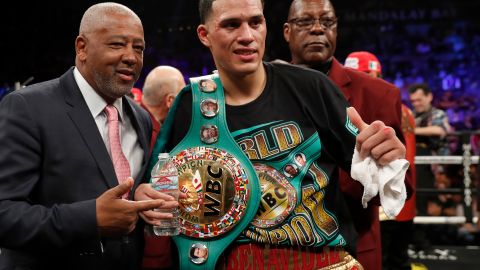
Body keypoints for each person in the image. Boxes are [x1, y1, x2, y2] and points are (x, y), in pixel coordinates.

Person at [136, 0, 407, 269]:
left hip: (321, 261)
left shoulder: (312, 88)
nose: (247, 36)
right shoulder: (191, 105)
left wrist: (388, 159)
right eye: (231, 25)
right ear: (204, 35)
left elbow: (382, 190)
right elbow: (157, 199)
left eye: (255, 22)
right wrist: (148, 200)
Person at [0, 3, 177, 269]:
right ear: (82, 48)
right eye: (117, 44)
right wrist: (89, 218)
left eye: (138, 48)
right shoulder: (28, 107)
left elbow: (123, 207)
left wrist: (140, 198)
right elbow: (4, 213)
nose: (131, 56)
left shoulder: (139, 118)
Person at [283, 1, 413, 269]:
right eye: (305, 22)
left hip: (353, 249)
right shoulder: (262, 92)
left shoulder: (379, 94)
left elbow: (403, 190)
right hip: (279, 252)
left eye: (327, 22)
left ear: (336, 30)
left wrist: (385, 167)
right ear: (287, 31)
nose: (318, 29)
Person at [345, 51, 417, 270]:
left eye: (368, 74)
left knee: (394, 259)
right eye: (358, 74)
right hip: (374, 204)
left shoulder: (391, 104)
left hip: (389, 200)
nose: (365, 79)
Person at [409, 83, 451, 215]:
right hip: (415, 163)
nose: (416, 103)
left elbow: (439, 130)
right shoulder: (411, 115)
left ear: (429, 97)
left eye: (419, 100)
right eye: (413, 101)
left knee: (435, 204)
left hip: (435, 167)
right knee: (417, 199)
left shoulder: (438, 114)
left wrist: (411, 130)